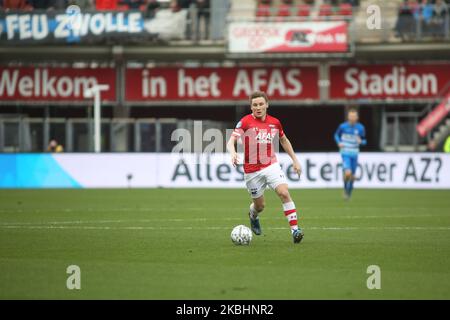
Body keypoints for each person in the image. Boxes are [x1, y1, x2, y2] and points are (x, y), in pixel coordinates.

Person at [227, 91, 304, 244]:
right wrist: (233, 153)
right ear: (251, 107)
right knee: (260, 206)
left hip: (271, 165)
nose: (258, 107)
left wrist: (295, 160)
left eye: (261, 104)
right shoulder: (245, 122)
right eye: (255, 105)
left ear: (267, 105)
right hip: (252, 171)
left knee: (284, 192)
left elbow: (284, 140)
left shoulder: (275, 122)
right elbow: (231, 141)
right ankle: (253, 215)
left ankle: (295, 230)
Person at [334, 107, 366, 200]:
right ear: (348, 117)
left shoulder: (360, 128)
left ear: (357, 117)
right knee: (348, 173)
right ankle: (345, 189)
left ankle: (349, 192)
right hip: (345, 153)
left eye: (354, 116)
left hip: (355, 154)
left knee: (352, 177)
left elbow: (364, 141)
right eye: (350, 116)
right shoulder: (343, 126)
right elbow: (336, 135)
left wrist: (361, 141)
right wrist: (338, 142)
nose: (352, 118)